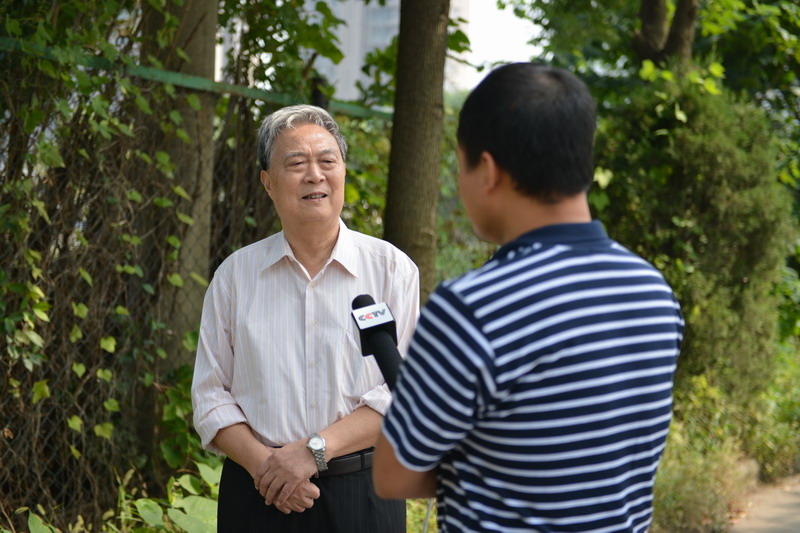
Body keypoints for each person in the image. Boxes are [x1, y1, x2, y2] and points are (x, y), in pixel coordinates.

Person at [373, 62, 685, 532]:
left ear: (488, 170)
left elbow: (393, 473)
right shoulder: (653, 292)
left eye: (460, 165)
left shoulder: (472, 308)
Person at [192, 104, 418, 532]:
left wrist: (312, 452)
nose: (315, 175)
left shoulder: (392, 270)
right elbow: (209, 396)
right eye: (296, 164)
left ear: (343, 172)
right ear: (268, 183)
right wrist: (269, 468)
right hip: (258, 492)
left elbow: (403, 391)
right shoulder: (235, 276)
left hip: (365, 493)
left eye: (327, 161)